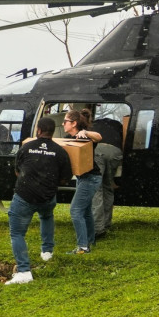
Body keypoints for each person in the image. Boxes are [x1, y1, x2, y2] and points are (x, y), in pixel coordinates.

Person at [5, 118, 72, 285]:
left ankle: (24, 271)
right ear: (52, 131)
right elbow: (65, 179)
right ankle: (47, 251)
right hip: (48, 197)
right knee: (47, 216)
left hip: (24, 197)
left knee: (17, 233)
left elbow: (17, 171)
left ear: (39, 130)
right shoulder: (60, 151)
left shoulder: (26, 148)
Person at [62, 109, 102, 254]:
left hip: (90, 178)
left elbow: (99, 136)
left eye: (65, 121)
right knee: (85, 211)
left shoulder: (85, 137)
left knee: (75, 210)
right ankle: (90, 240)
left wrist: (85, 132)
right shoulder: (68, 137)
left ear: (74, 123)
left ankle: (83, 247)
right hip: (83, 178)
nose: (63, 124)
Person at [90, 115, 124, 239]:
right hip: (115, 152)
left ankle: (98, 228)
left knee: (96, 189)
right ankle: (106, 223)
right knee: (108, 187)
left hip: (98, 150)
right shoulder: (117, 125)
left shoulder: (92, 125)